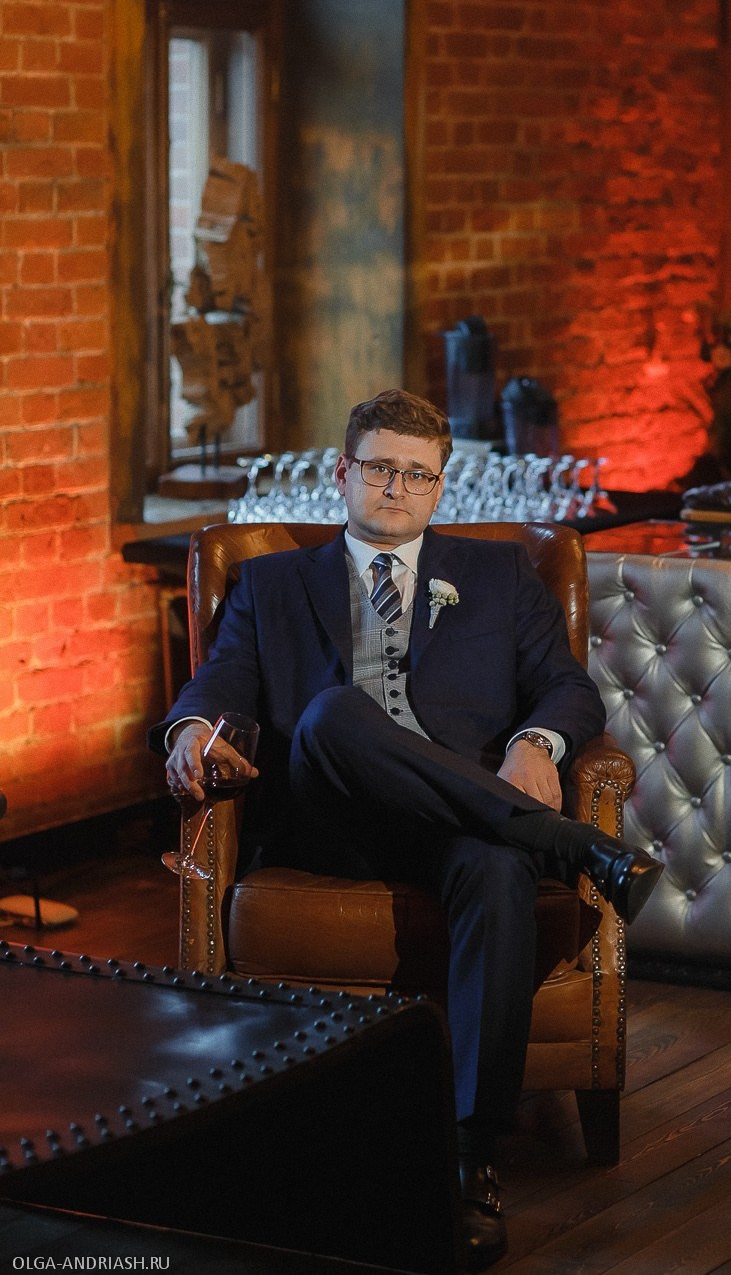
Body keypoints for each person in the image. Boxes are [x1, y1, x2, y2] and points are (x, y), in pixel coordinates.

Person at [151, 389, 663, 1270]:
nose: (397, 489)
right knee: (332, 714)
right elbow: (219, 681)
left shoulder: (501, 575)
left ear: (440, 486)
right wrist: (191, 731)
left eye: (418, 475)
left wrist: (537, 743)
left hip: (460, 824)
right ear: (343, 473)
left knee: (498, 872)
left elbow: (568, 689)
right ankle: (570, 846)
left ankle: (471, 1161)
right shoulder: (271, 583)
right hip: (333, 816)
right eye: (381, 469)